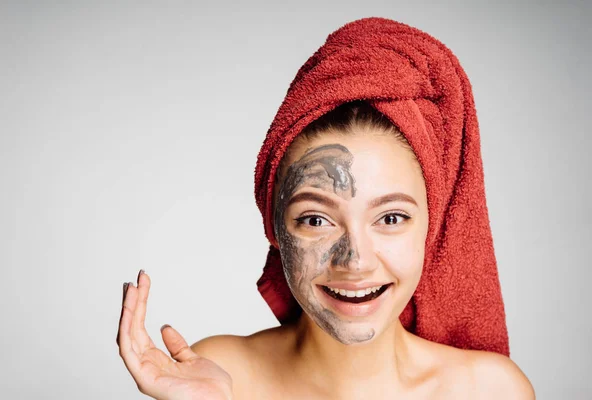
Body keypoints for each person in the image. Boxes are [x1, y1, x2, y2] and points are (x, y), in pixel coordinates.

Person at [117, 18, 535, 400]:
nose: (355, 261)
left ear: (432, 225)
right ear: (275, 228)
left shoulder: (492, 390)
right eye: (316, 219)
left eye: (390, 218)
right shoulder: (219, 374)